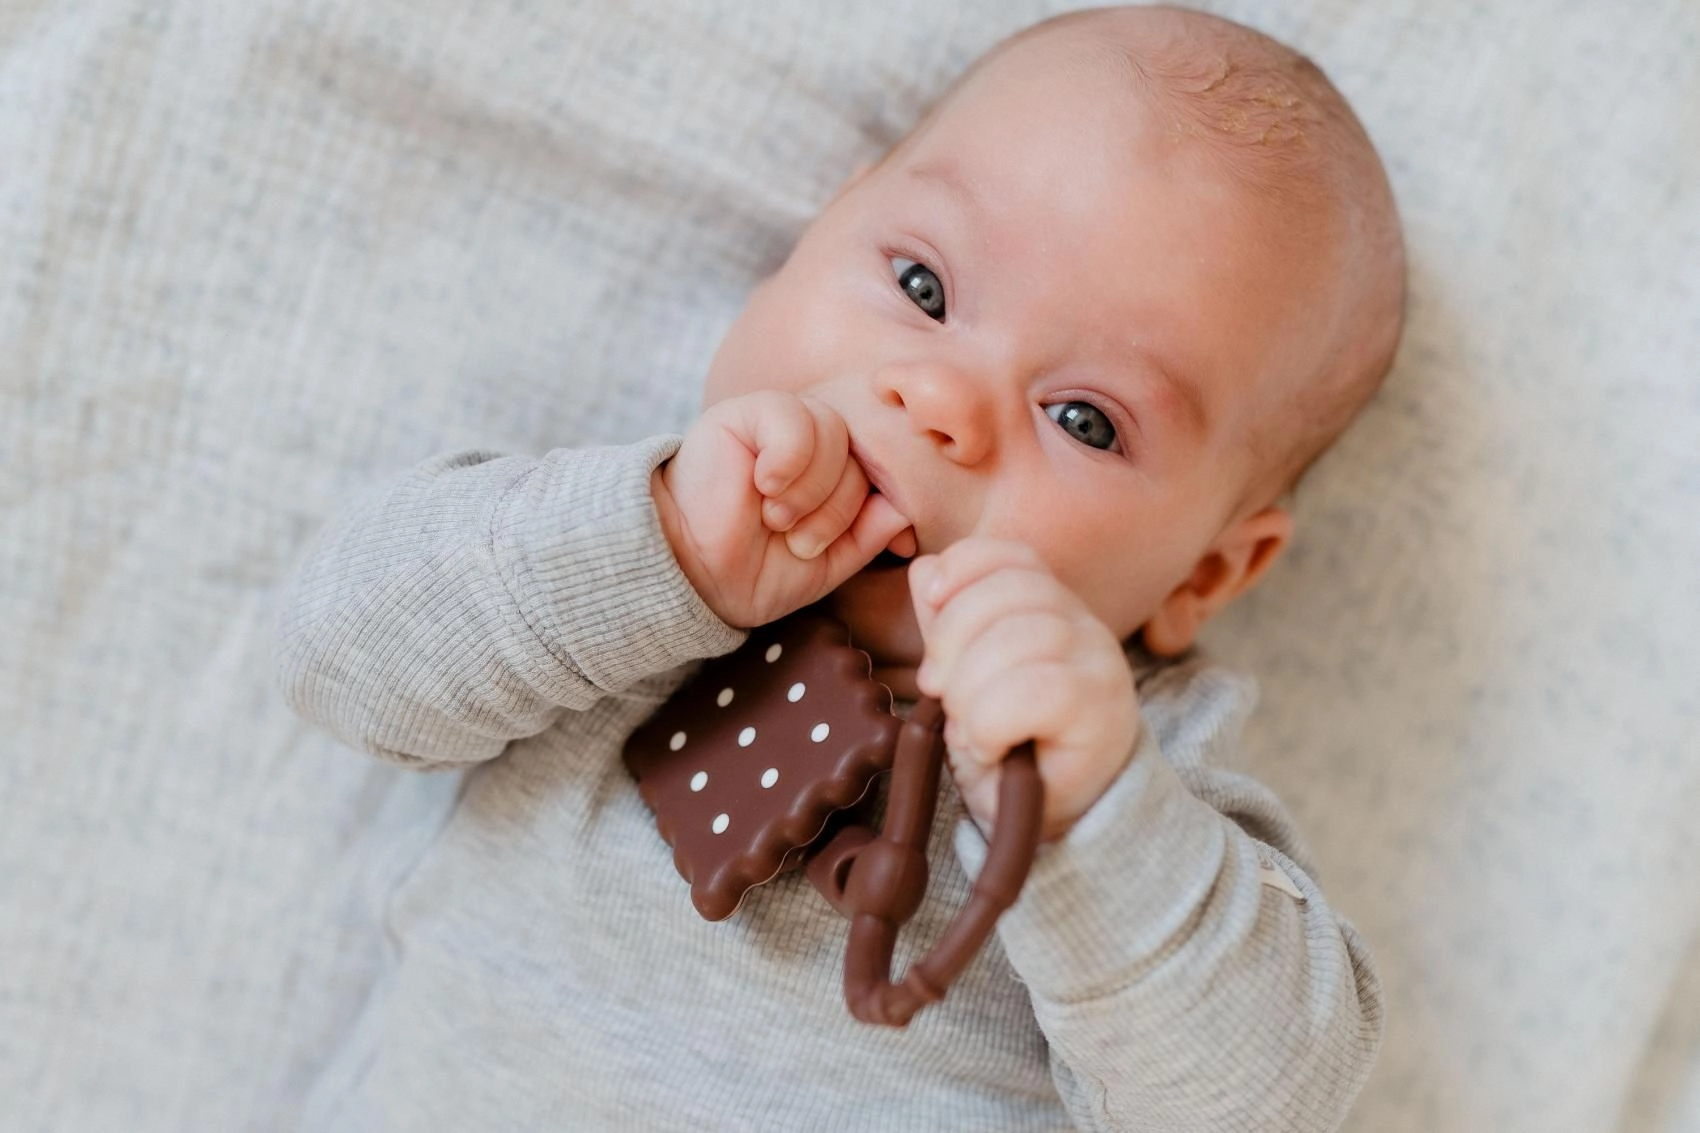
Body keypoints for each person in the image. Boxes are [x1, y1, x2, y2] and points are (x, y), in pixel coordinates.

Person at [275, 5, 1405, 1129]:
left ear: (1203, 575)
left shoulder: (1138, 769)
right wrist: (658, 545)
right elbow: (335, 660)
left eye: (1085, 420)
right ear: (810, 237)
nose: (943, 401)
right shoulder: (606, 548)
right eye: (922, 289)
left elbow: (1262, 1103)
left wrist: (1092, 815)